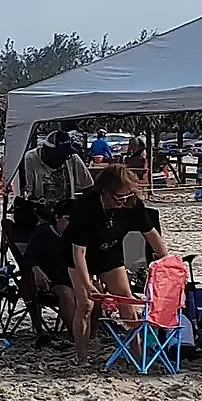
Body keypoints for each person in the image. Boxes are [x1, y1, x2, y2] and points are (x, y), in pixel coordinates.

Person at [66, 165, 171, 365]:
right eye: (118, 197)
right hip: (79, 256)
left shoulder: (132, 203)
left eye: (126, 196)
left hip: (110, 253)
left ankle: (137, 355)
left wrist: (165, 264)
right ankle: (82, 357)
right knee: (86, 304)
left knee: (126, 300)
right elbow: (78, 253)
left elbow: (152, 235)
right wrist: (88, 286)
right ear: (104, 191)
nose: (123, 202)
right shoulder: (86, 207)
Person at [23, 202, 77, 340]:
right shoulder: (43, 233)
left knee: (97, 290)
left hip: (74, 277)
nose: (71, 224)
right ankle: (76, 335)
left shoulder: (76, 235)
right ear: (58, 218)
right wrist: (36, 269)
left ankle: (92, 334)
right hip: (52, 280)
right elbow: (29, 255)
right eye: (68, 219)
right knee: (66, 294)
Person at [20, 131, 94, 206]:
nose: (63, 160)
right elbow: (28, 193)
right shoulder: (31, 159)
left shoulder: (72, 158)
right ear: (46, 151)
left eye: (65, 156)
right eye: (59, 156)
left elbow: (88, 187)